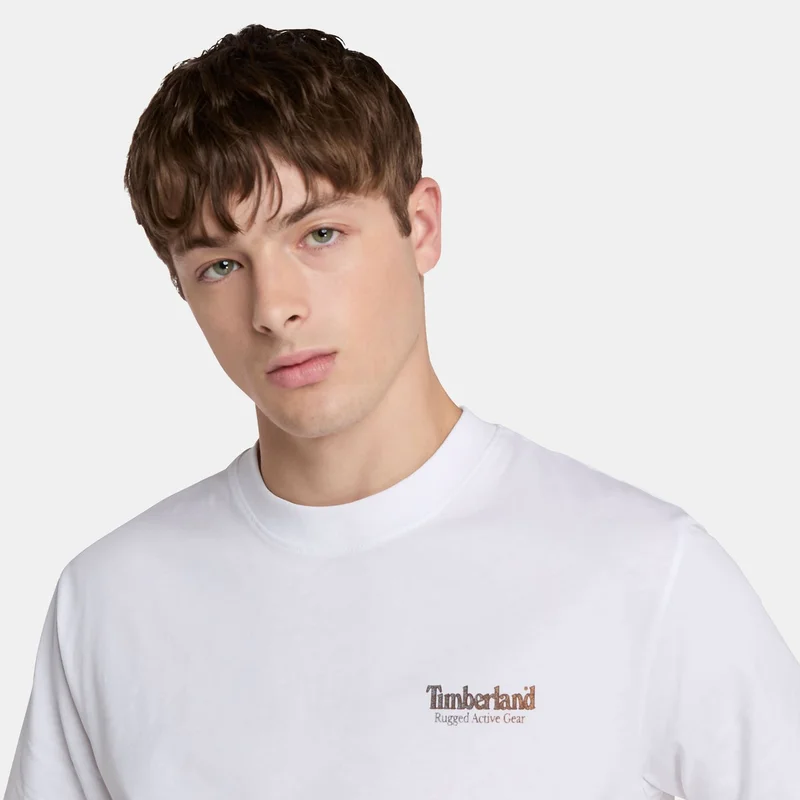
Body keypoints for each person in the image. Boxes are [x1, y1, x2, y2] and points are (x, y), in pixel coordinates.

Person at [4, 24, 799, 800]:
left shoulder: (645, 575)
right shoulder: (109, 604)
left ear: (421, 226)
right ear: (182, 288)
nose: (273, 307)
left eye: (319, 234)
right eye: (220, 265)